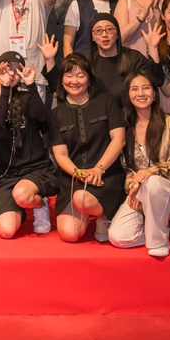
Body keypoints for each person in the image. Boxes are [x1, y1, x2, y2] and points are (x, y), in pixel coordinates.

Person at [108, 71, 170, 257]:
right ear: (128, 95)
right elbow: (128, 168)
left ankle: (159, 243)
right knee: (117, 237)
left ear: (154, 94)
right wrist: (133, 185)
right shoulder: (126, 129)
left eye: (146, 88)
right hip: (141, 193)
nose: (141, 93)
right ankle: (158, 228)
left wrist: (150, 172)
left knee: (153, 183)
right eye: (134, 89)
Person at [49, 54, 126, 243]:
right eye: (69, 76)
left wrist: (99, 169)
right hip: (73, 179)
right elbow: (60, 154)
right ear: (61, 80)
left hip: (106, 174)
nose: (74, 81)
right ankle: (90, 210)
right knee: (70, 234)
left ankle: (104, 215)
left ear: (90, 79)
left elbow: (119, 140)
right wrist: (78, 173)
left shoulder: (107, 101)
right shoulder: (57, 114)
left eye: (80, 75)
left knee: (83, 199)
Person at [0, 52, 56, 238]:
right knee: (6, 231)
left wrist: (31, 86)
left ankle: (39, 204)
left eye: (18, 69)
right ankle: (20, 206)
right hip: (6, 175)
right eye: (8, 67)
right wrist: (5, 90)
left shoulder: (27, 97)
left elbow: (43, 121)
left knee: (22, 194)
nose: (12, 73)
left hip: (35, 169)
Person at [44, 13, 161, 101]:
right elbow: (59, 88)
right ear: (92, 37)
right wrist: (49, 60)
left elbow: (156, 81)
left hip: (128, 121)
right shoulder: (84, 60)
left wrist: (153, 48)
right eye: (98, 31)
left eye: (109, 29)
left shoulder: (133, 58)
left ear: (117, 34)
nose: (104, 35)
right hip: (95, 124)